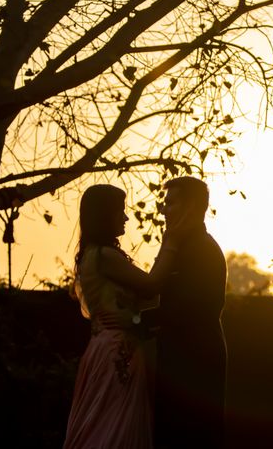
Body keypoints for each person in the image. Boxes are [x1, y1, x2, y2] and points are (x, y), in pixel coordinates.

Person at [63, 184, 180, 449]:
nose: (126, 218)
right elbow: (151, 285)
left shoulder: (92, 255)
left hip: (103, 348)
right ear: (106, 215)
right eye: (121, 212)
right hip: (118, 351)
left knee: (102, 420)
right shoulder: (105, 256)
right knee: (114, 424)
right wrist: (170, 243)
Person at [152, 176, 228, 449]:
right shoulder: (178, 246)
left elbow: (188, 309)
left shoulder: (203, 251)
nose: (164, 210)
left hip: (196, 360)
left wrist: (135, 321)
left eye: (170, 203)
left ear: (192, 206)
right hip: (177, 358)